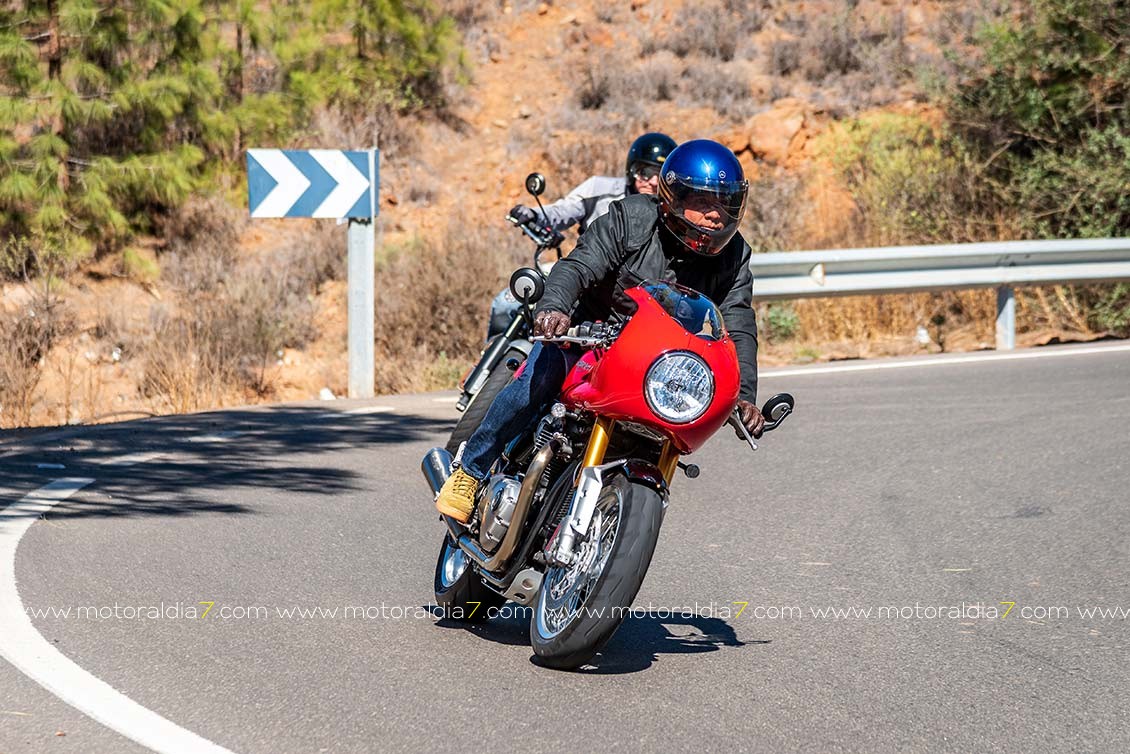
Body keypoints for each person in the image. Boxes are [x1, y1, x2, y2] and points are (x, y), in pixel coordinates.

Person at [438, 139, 764, 523]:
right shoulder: (633, 218)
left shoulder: (734, 255)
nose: (715, 216)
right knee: (539, 378)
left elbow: (737, 323)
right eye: (704, 202)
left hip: (654, 361)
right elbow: (578, 265)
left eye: (724, 205)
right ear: (675, 198)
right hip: (588, 334)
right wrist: (555, 308)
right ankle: (471, 471)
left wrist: (744, 397)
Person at [486, 133, 678, 337]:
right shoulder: (600, 189)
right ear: (631, 171)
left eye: (660, 175)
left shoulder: (670, 216)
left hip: (628, 299)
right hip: (581, 270)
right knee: (505, 303)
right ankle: (493, 349)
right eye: (645, 172)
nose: (653, 181)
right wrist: (534, 215)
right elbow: (563, 210)